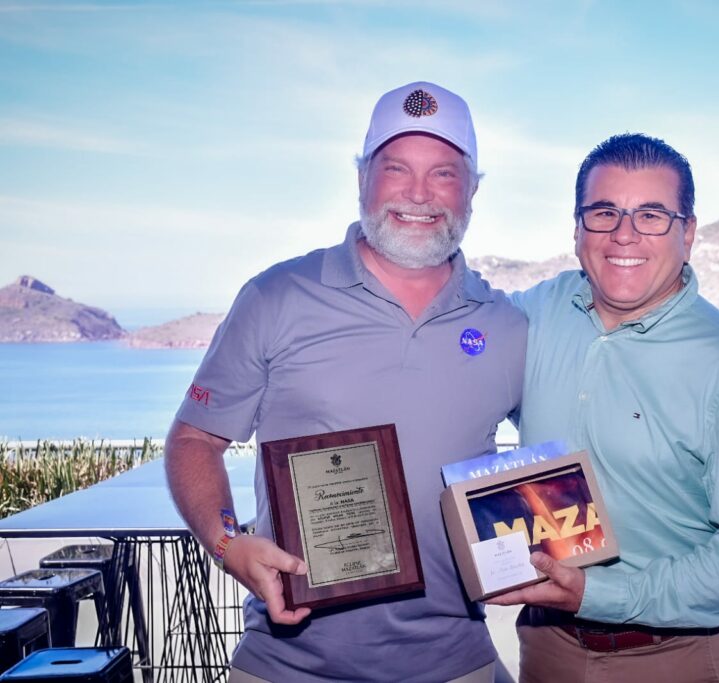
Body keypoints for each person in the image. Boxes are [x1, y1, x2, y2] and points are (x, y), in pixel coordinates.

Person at [165, 81, 526, 683]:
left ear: (472, 191)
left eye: (442, 173)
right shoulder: (276, 297)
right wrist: (227, 545)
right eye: (396, 168)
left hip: (457, 663)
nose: (418, 194)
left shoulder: (508, 325)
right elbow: (194, 440)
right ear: (362, 178)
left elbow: (560, 455)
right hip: (286, 665)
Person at [491, 133, 719, 682]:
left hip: (676, 657)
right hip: (546, 646)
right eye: (604, 212)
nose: (624, 233)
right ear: (578, 229)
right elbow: (458, 341)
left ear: (688, 233)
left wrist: (601, 594)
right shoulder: (538, 312)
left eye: (651, 215)